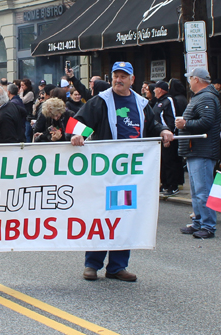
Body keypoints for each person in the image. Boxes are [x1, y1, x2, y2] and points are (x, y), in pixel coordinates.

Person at [71, 61, 173, 282]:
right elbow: (81, 122)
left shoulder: (141, 103)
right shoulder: (101, 101)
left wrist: (164, 130)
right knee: (102, 215)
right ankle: (92, 264)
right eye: (116, 76)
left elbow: (153, 125)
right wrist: (78, 135)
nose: (119, 80)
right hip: (105, 174)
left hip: (130, 175)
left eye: (123, 76)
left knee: (125, 217)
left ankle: (117, 266)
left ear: (132, 80)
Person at [177, 68, 221, 239]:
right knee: (197, 191)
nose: (189, 82)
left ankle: (208, 226)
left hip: (202, 150)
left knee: (203, 191)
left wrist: (185, 123)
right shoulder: (203, 97)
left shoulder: (206, 97)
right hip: (196, 149)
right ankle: (198, 222)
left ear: (197, 79)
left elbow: (206, 121)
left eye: (190, 79)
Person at [152, 81, 183, 196]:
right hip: (159, 137)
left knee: (170, 162)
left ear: (160, 89)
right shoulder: (158, 102)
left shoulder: (169, 100)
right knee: (163, 162)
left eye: (155, 88)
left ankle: (173, 185)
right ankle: (164, 184)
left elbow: (173, 118)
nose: (154, 91)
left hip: (168, 137)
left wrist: (169, 134)